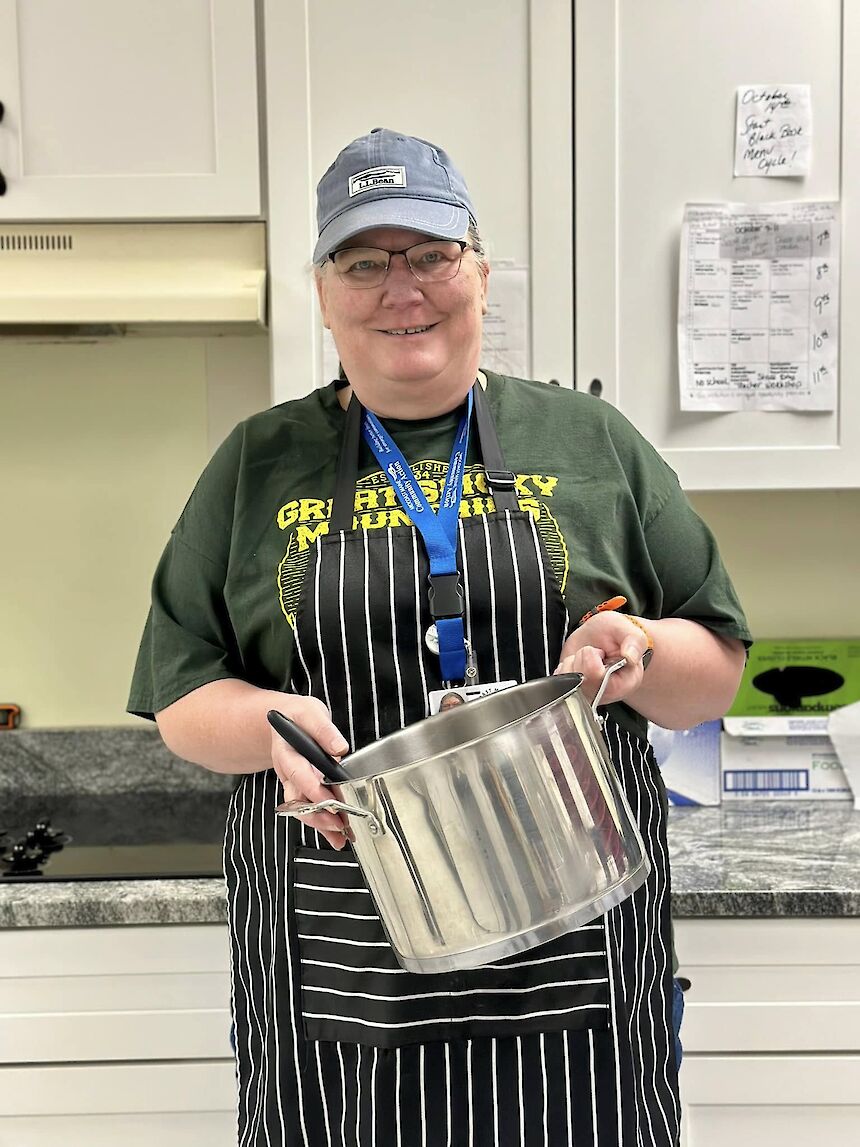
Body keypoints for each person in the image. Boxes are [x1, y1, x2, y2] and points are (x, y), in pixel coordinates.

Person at [128, 127, 750, 1146]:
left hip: (575, 956)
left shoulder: (590, 443)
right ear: (321, 292)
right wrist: (270, 725)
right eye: (362, 262)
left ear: (479, 271)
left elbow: (712, 672)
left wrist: (635, 646)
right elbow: (186, 698)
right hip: (341, 963)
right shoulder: (255, 462)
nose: (399, 288)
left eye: (428, 254)